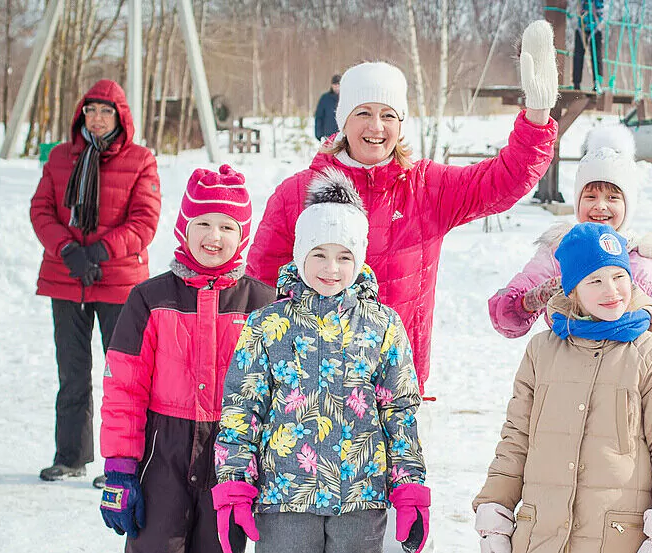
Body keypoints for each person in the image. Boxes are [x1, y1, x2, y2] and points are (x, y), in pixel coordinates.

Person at [248, 21, 560, 395]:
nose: (376, 126)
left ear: (401, 123)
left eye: (388, 115)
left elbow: (501, 182)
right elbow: (260, 293)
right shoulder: (296, 194)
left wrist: (537, 118)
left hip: (395, 388)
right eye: (363, 112)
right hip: (310, 390)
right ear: (343, 119)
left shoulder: (426, 187)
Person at [214, 172, 429, 553]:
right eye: (319, 255)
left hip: (360, 498)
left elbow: (399, 410)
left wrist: (409, 485)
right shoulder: (267, 324)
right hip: (284, 497)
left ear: (359, 260)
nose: (331, 268)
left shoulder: (382, 324)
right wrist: (234, 485)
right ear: (300, 256)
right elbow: (241, 408)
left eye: (344, 257)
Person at [473, 223, 652, 553]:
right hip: (541, 536)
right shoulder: (541, 352)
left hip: (618, 537)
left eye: (619, 277)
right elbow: (516, 439)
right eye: (595, 280)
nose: (612, 290)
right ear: (572, 289)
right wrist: (496, 508)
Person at [97, 165, 274, 552]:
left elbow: (281, 395)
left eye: (227, 226)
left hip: (234, 458)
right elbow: (124, 389)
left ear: (242, 235)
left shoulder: (264, 305)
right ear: (184, 229)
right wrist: (121, 466)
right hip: (162, 455)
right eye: (203, 223)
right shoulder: (148, 299)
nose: (214, 236)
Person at [29, 78, 161, 482]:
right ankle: (70, 457)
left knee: (123, 376)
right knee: (71, 373)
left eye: (106, 111)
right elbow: (41, 210)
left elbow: (145, 220)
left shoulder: (140, 160)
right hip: (66, 278)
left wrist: (99, 253)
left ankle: (125, 462)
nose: (98, 118)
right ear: (81, 114)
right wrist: (69, 252)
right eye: (91, 110)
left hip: (118, 282)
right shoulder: (60, 159)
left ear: (121, 117)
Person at [488, 125, 652, 339]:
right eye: (590, 197)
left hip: (628, 367)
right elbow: (505, 316)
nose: (600, 206)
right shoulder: (558, 253)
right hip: (570, 365)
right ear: (577, 201)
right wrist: (528, 302)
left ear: (628, 204)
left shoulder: (647, 262)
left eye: (613, 197)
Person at [573, 0, 606, 90]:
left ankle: (597, 83)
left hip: (595, 26)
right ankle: (576, 83)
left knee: (596, 56)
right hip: (582, 26)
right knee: (578, 56)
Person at [314, 74, 340, 141]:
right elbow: (319, 117)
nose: (337, 87)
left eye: (338, 84)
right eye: (335, 84)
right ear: (332, 85)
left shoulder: (346, 98)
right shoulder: (325, 98)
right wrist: (319, 135)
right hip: (328, 136)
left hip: (342, 136)